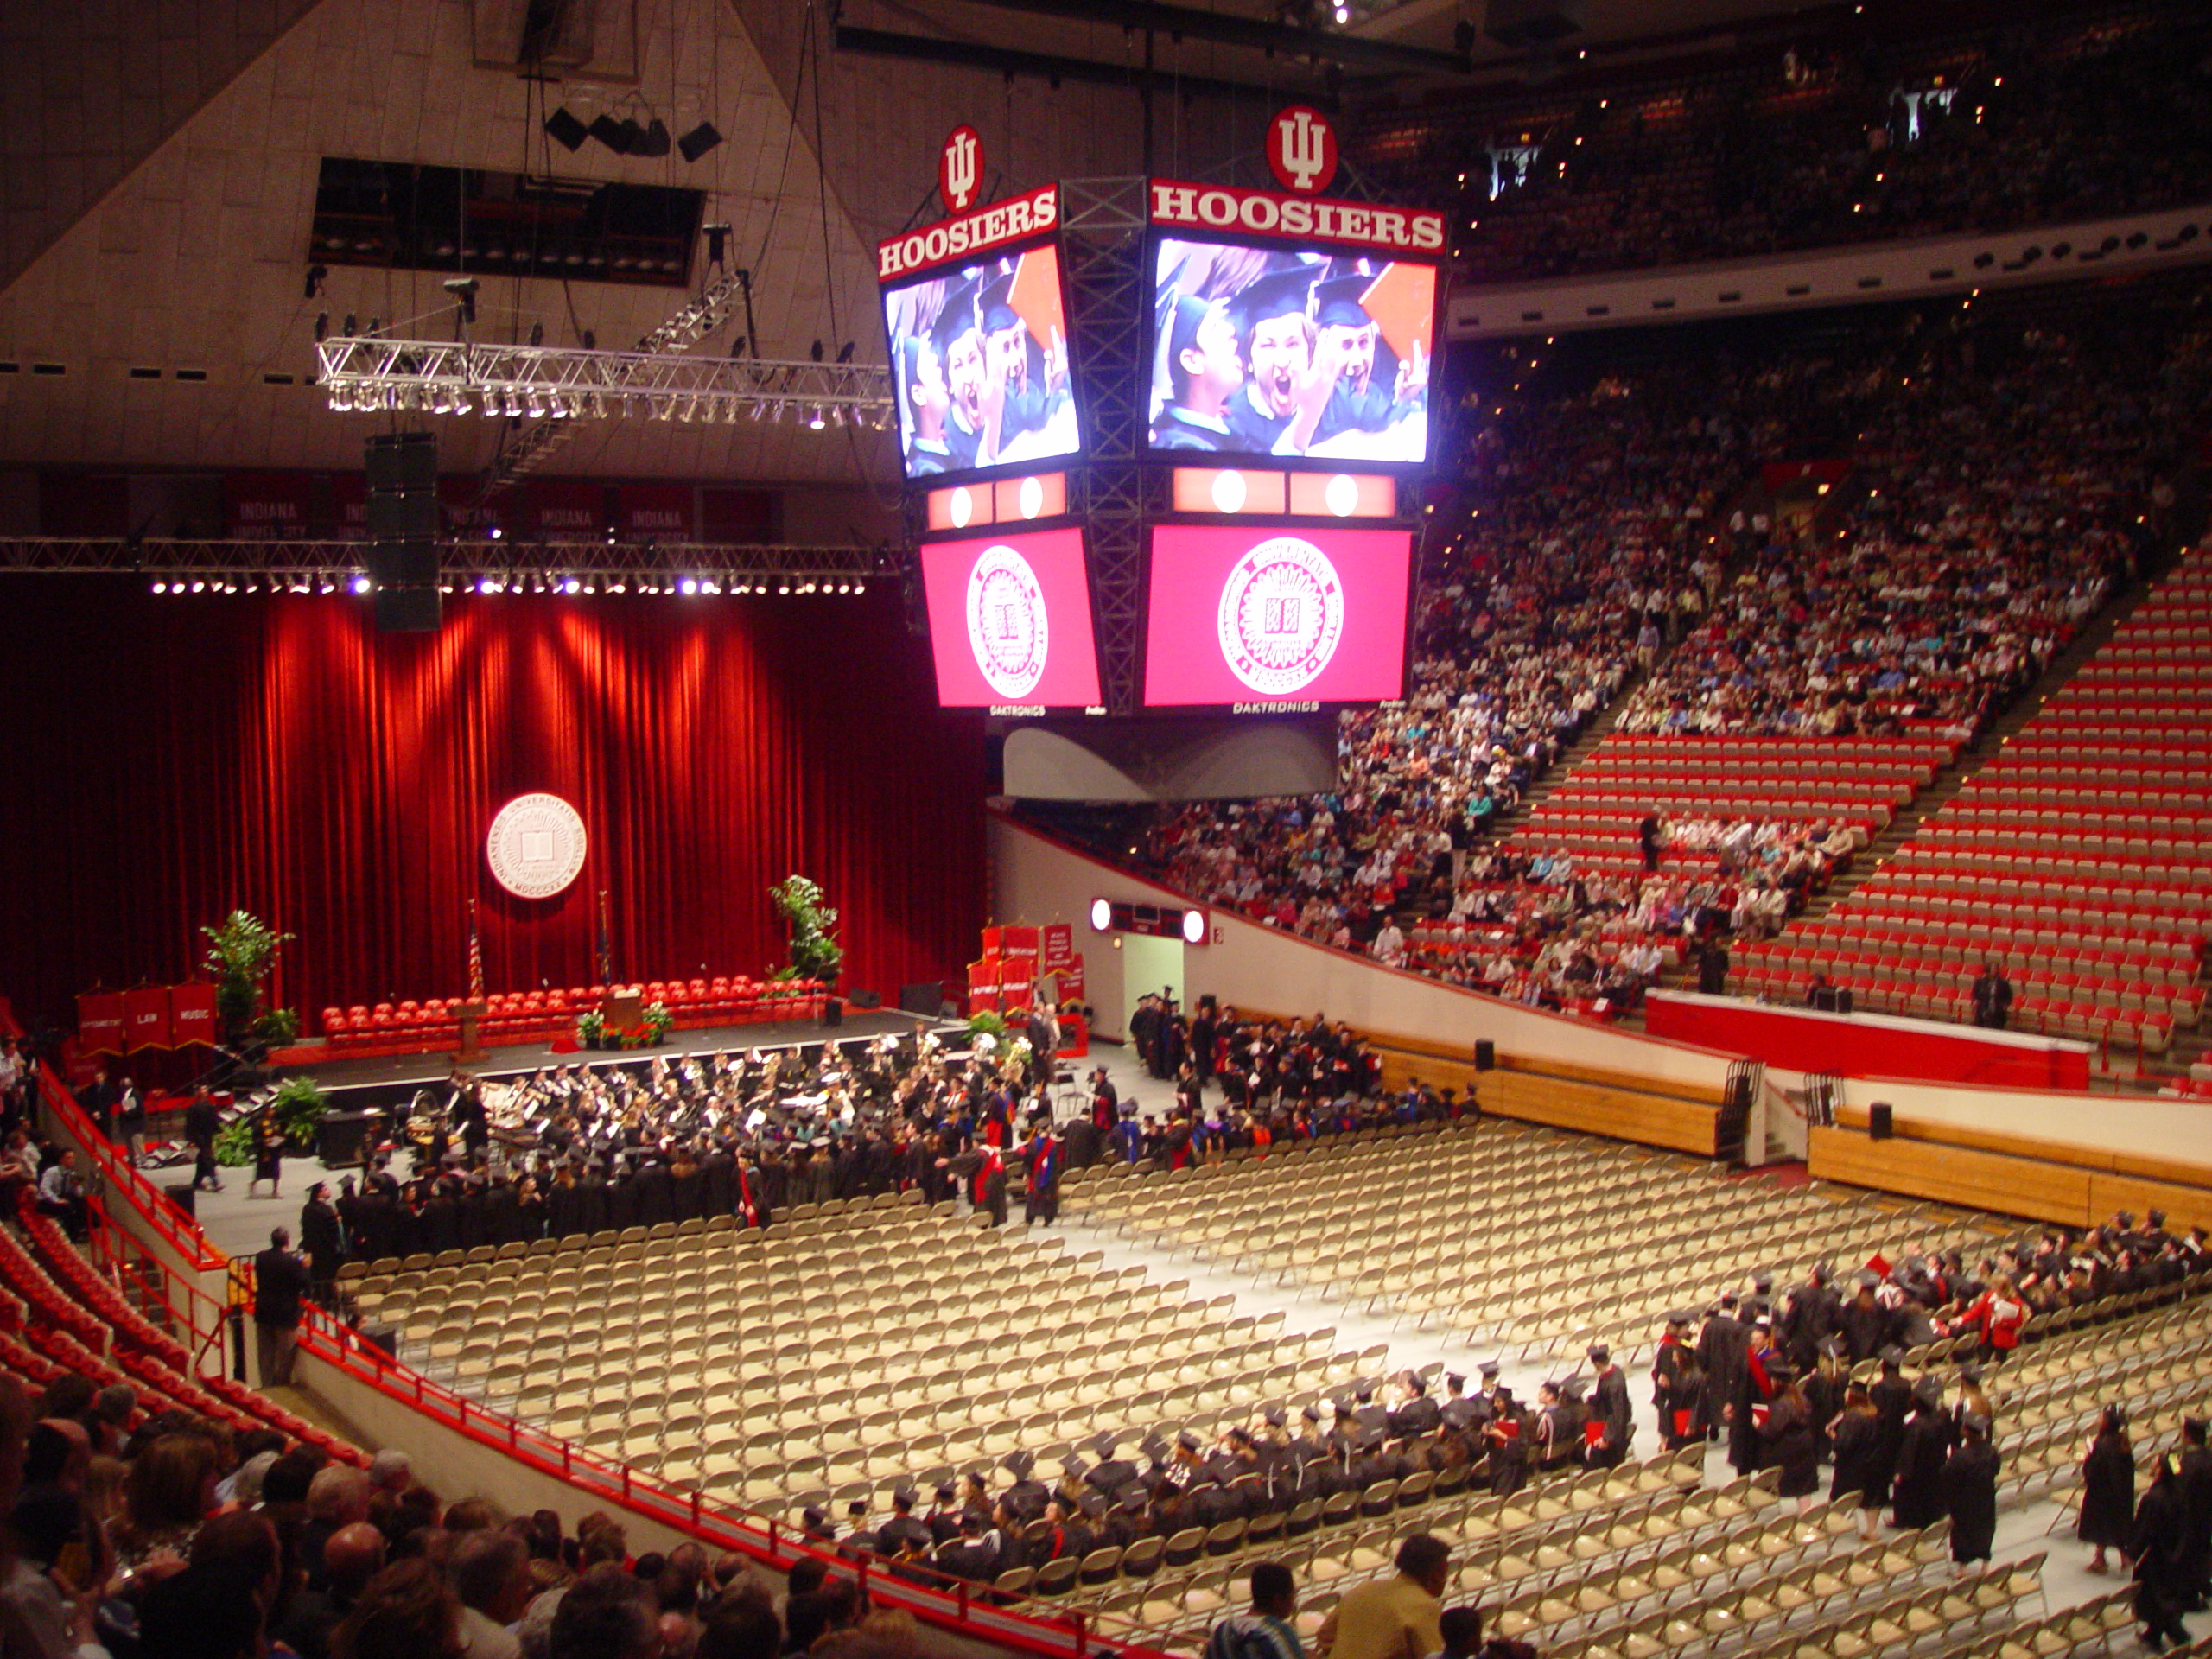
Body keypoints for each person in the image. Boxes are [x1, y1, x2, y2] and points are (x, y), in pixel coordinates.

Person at [1314, 1532, 1447, 1659]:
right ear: (1437, 1575)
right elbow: (1431, 1656)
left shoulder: (1362, 1589)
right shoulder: (1425, 1606)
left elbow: (1325, 1635)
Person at [2133, 1452, 2195, 1650]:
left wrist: (2131, 1553)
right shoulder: (2182, 1492)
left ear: (2161, 1470)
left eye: (2155, 1464)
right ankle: (2154, 1634)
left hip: (2158, 1557)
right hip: (2178, 1552)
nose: (2151, 1466)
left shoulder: (2154, 1499)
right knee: (2168, 1594)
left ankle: (2174, 1633)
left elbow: (2144, 1530)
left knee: (2156, 1597)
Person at [1206, 1560, 1304, 1659]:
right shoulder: (1278, 1632)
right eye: (1293, 1595)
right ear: (1278, 1600)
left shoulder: (1221, 1631)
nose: (1294, 1602)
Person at [252, 1225, 312, 1389]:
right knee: (286, 1354)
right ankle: (281, 1387)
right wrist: (305, 1268)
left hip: (264, 1311)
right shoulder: (293, 1263)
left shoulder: (261, 1258)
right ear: (287, 1242)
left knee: (265, 1355)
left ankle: (266, 1386)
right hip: (285, 1315)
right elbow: (304, 1284)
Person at [2080, 1404, 2135, 1575]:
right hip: (2120, 1493)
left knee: (2101, 1525)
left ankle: (2100, 1560)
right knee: (2115, 1525)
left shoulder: (2103, 1444)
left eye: (2101, 1418)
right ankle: (2121, 1556)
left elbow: (2095, 1469)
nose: (2098, 1419)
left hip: (2103, 1494)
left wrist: (2085, 1462)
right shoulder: (2122, 1441)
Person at [1942, 1414, 2001, 1571]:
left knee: (1963, 1532)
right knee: (1985, 1529)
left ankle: (1962, 1569)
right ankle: (1985, 1565)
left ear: (1966, 1432)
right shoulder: (1991, 1451)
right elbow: (1996, 1470)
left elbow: (1948, 1478)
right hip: (1985, 1498)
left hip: (1964, 1502)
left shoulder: (1960, 1457)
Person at [1828, 1382, 1885, 1540]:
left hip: (1853, 1467)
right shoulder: (1875, 1413)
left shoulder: (1852, 1417)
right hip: (1874, 1463)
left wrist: (1833, 1436)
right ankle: (1872, 1531)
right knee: (1871, 1499)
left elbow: (1844, 1445)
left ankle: (1834, 1527)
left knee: (1842, 1499)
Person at [301, 1182, 344, 1305]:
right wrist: (337, 1221)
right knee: (328, 1276)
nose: (328, 1190)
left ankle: (318, 1297)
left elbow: (306, 1231)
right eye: (325, 1189)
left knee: (317, 1275)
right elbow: (333, 1232)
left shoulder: (307, 1208)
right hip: (327, 1250)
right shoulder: (326, 1210)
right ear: (319, 1193)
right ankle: (328, 1299)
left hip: (314, 1249)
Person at [35, 1149, 87, 1243]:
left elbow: (78, 1194)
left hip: (62, 1196)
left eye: (73, 1158)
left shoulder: (72, 1173)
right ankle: (73, 1235)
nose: (71, 1160)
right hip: (46, 1200)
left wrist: (76, 1185)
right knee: (66, 1206)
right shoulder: (51, 1172)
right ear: (61, 1160)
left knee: (82, 1202)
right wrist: (56, 1200)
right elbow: (44, 1188)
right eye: (68, 1158)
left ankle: (82, 1230)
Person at [184, 1088, 222, 1192]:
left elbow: (214, 1121)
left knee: (202, 1159)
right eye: (203, 1091)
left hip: (207, 1136)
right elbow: (190, 1125)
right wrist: (190, 1140)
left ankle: (196, 1182)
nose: (205, 1093)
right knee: (208, 1158)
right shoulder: (193, 1108)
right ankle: (214, 1181)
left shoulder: (210, 1107)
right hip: (198, 1137)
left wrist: (219, 1131)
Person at [247, 1102, 283, 1199]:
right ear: (266, 1112)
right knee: (261, 1172)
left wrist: (279, 1139)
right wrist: (264, 1140)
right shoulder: (259, 1123)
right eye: (270, 1110)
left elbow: (279, 1133)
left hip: (274, 1151)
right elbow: (255, 1138)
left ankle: (275, 1191)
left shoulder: (275, 1122)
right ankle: (253, 1186)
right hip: (264, 1152)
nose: (272, 1112)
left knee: (276, 1172)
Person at [1970, 962, 2014, 1029]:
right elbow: (1975, 994)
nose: (1995, 971)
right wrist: (1975, 1001)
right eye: (1993, 969)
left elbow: (2009, 996)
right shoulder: (1980, 982)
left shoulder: (2003, 983)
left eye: (1996, 969)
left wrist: (2005, 1005)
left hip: (1997, 1012)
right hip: (1982, 1011)